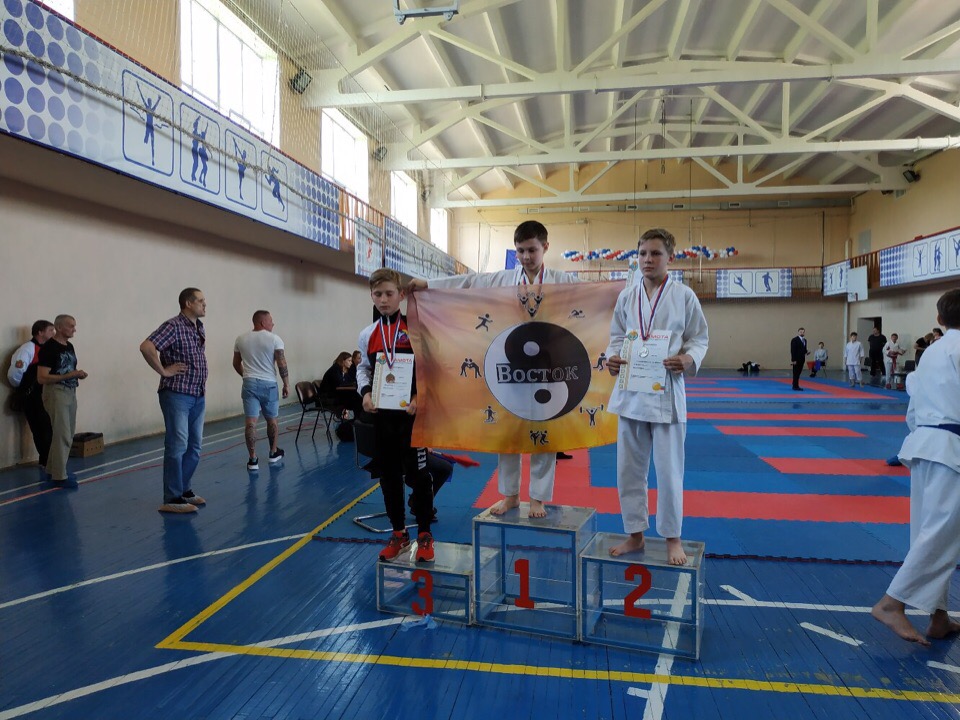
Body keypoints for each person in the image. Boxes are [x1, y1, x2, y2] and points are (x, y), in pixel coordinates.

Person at [407, 220, 577, 518]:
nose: (526, 256)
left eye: (532, 250)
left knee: (545, 434)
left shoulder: (563, 281)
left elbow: (599, 296)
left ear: (545, 247)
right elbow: (469, 283)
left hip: (547, 368)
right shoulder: (503, 279)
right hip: (510, 366)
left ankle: (538, 498)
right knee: (507, 432)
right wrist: (429, 284)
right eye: (521, 250)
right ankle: (510, 495)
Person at [604, 228, 709, 565]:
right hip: (631, 392)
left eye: (655, 253)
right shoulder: (627, 296)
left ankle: (672, 538)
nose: (647, 260)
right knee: (628, 471)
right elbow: (616, 337)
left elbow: (699, 338)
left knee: (669, 471)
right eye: (642, 254)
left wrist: (689, 358)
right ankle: (635, 534)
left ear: (670, 258)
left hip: (666, 393)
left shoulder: (684, 296)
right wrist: (612, 358)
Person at [871, 288, 960, 645]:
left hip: (924, 444)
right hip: (951, 449)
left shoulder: (932, 352)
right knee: (942, 531)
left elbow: (914, 406)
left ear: (939, 319)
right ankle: (892, 603)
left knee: (929, 529)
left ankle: (938, 616)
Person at [356, 268, 435, 563]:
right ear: (371, 296)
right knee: (389, 477)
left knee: (418, 475)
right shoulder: (368, 334)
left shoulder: (415, 329)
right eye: (378, 294)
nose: (383, 299)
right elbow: (363, 368)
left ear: (401, 295)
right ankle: (399, 533)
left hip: (412, 417)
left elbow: (430, 368)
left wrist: (419, 396)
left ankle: (424, 534)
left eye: (389, 293)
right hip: (382, 418)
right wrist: (365, 393)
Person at [140, 288, 209, 514]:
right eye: (200, 301)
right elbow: (147, 347)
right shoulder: (174, 326)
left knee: (194, 446)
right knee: (177, 444)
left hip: (197, 394)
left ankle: (183, 489)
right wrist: (164, 371)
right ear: (188, 303)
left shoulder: (198, 327)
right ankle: (171, 497)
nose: (205, 304)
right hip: (178, 394)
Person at [233, 310, 289, 471]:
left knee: (250, 422)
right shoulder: (275, 339)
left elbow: (236, 363)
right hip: (269, 384)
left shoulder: (240, 339)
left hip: (249, 384)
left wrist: (246, 376)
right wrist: (286, 384)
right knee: (272, 420)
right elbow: (282, 363)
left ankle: (252, 460)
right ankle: (273, 453)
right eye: (271, 321)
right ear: (263, 322)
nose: (273, 323)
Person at [36, 315, 87, 485]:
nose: (74, 329)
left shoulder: (69, 346)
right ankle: (59, 476)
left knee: (67, 433)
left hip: (70, 391)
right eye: (70, 326)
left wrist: (76, 375)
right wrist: (70, 375)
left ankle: (52, 469)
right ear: (59, 327)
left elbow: (67, 369)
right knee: (62, 434)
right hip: (56, 392)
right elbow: (42, 377)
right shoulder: (49, 348)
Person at [7, 320, 55, 469]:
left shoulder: (49, 349)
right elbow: (14, 375)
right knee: (40, 428)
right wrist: (24, 389)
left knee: (48, 427)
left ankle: (50, 459)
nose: (53, 333)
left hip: (46, 394)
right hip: (32, 397)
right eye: (50, 330)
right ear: (40, 332)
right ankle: (46, 460)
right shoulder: (27, 349)